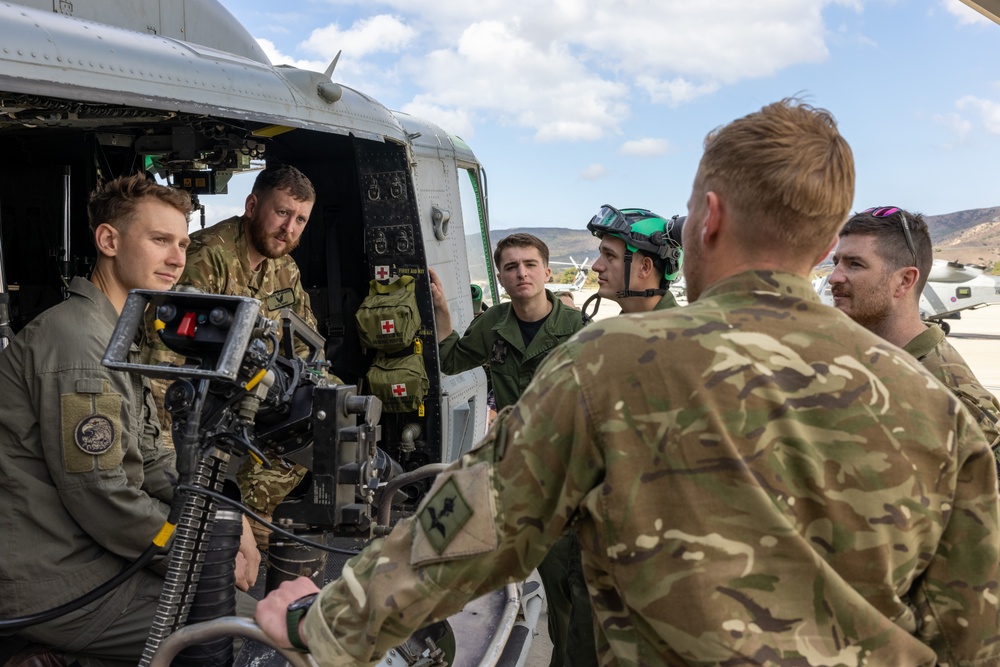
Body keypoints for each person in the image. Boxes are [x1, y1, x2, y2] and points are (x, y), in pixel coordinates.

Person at [256, 99, 1000, 666]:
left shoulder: (610, 363)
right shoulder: (932, 402)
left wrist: (319, 623)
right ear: (822, 238)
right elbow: (972, 627)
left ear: (707, 218)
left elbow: (472, 528)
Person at [0, 174, 260, 665]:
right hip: (57, 581)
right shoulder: (79, 345)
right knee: (245, 638)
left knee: (243, 614)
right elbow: (101, 494)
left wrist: (229, 520)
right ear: (109, 241)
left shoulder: (112, 332)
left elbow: (152, 453)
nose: (178, 258)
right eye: (160, 240)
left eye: (182, 242)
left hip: (88, 557)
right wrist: (199, 552)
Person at [144, 164, 322, 549]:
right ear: (252, 205)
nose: (289, 228)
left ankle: (249, 515)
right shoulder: (209, 258)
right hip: (194, 402)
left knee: (325, 413)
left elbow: (307, 349)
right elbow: (164, 369)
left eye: (300, 219)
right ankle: (222, 525)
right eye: (282, 213)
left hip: (251, 392)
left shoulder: (284, 266)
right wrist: (172, 458)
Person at [829, 206, 1000, 455]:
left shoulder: (949, 402)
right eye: (836, 263)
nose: (834, 277)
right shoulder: (865, 359)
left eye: (854, 264)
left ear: (905, 281)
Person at [428, 233, 583, 411]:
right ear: (500, 280)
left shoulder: (579, 326)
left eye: (530, 264)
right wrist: (441, 307)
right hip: (513, 437)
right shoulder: (493, 321)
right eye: (511, 267)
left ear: (547, 274)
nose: (522, 273)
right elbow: (451, 360)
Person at [588, 207, 684, 313]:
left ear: (644, 267)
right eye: (601, 254)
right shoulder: (618, 328)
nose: (596, 266)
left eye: (610, 255)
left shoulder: (686, 329)